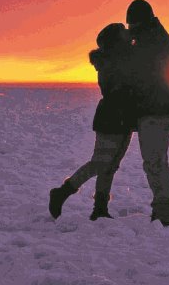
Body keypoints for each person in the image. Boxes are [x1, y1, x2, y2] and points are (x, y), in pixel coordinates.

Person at [49, 23, 136, 221]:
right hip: (111, 118)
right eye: (123, 34)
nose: (128, 35)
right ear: (115, 42)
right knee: (100, 163)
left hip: (123, 119)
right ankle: (63, 192)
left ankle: (100, 208)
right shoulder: (111, 63)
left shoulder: (119, 59)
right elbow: (121, 90)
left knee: (110, 165)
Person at [126, 0, 169, 227]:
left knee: (155, 163)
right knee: (156, 161)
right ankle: (162, 208)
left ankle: (164, 212)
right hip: (164, 110)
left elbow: (139, 72)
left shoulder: (150, 41)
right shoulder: (155, 36)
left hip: (157, 113)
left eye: (130, 25)